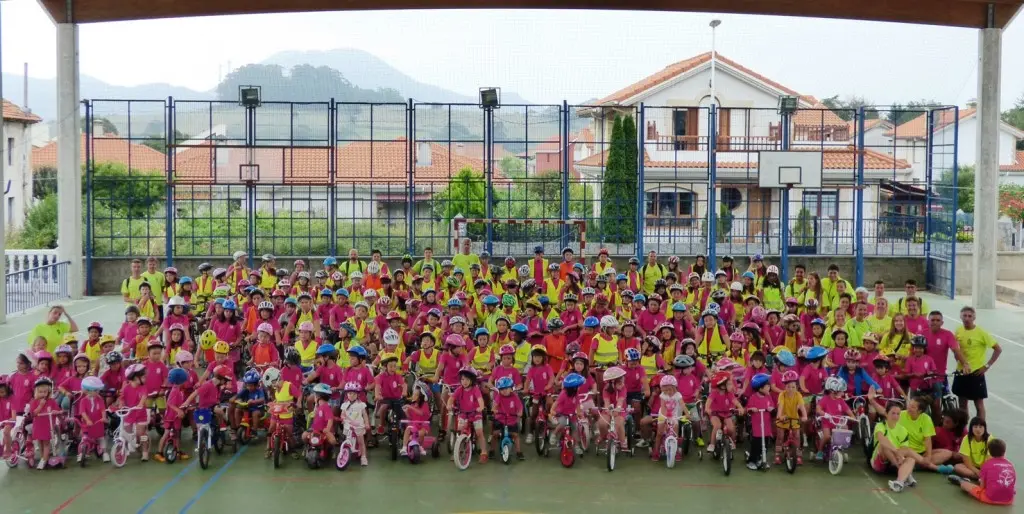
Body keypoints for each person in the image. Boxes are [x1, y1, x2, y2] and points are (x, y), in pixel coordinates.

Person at [953, 306, 1002, 421]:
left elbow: (998, 349)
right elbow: (956, 349)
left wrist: (987, 366)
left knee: (978, 405)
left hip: (976, 373)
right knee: (962, 405)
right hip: (961, 372)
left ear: (974, 317)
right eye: (964, 315)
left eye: (969, 316)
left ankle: (981, 430)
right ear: (960, 316)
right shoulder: (958, 331)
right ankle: (963, 430)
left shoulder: (981, 333)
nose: (967, 318)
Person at [949, 438, 1016, 506]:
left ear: (989, 451)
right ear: (1004, 452)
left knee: (965, 485)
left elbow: (982, 487)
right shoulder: (1010, 465)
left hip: (990, 499)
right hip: (1009, 501)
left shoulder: (987, 464)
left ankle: (962, 481)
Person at [870, 402, 917, 491]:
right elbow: (882, 440)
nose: (895, 416)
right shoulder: (880, 425)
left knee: (911, 459)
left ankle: (899, 483)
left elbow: (904, 448)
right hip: (880, 462)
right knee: (884, 446)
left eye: (898, 414)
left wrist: (900, 455)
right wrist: (896, 452)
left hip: (895, 461)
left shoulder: (903, 430)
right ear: (886, 414)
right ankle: (906, 474)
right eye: (893, 413)